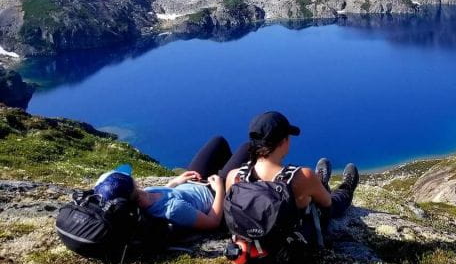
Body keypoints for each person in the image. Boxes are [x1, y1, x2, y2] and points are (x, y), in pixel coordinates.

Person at [225, 111, 359, 235]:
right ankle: (345, 188)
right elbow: (327, 203)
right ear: (283, 141)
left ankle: (320, 183)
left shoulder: (234, 176)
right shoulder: (301, 176)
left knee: (311, 189)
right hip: (288, 247)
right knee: (332, 203)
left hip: (250, 250)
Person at [93, 134, 251, 231]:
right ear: (132, 186)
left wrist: (176, 182)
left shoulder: (142, 197)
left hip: (193, 185)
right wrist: (221, 189)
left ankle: (236, 179)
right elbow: (212, 223)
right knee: (248, 148)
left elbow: (164, 194)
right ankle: (245, 190)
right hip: (213, 195)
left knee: (218, 142)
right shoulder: (173, 210)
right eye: (129, 177)